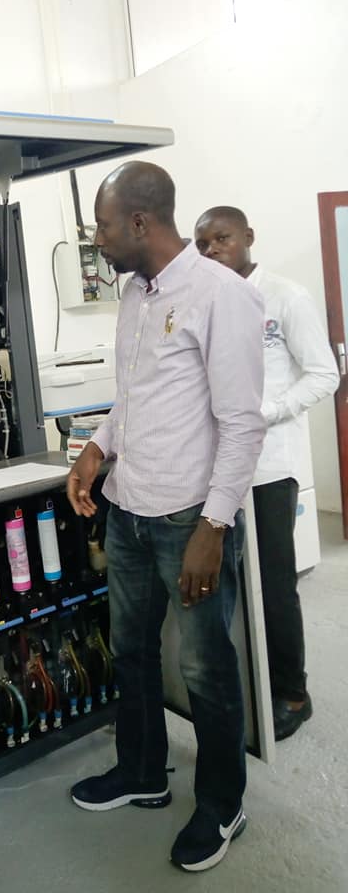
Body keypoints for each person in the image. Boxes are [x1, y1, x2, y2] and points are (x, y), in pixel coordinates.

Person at [66, 162, 266, 873]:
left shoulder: (220, 294)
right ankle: (143, 772)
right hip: (128, 511)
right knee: (132, 652)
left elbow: (242, 424)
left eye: (104, 226)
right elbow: (134, 396)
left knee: (206, 669)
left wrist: (214, 527)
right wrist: (96, 449)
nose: (98, 240)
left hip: (188, 520)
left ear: (140, 222)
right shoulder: (135, 294)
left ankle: (222, 804)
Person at [194, 206, 339, 740]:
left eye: (222, 239)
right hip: (216, 470)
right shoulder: (206, 302)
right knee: (230, 586)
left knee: (275, 584)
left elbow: (324, 374)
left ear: (248, 237)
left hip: (271, 466)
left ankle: (294, 694)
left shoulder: (285, 296)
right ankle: (249, 681)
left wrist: (268, 411)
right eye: (203, 244)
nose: (212, 250)